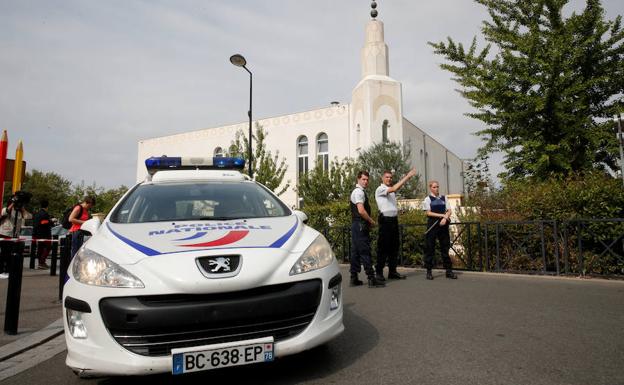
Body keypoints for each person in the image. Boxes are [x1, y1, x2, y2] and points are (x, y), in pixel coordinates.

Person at [374, 168, 417, 281]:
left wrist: (398, 212)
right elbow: (394, 188)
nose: (389, 179)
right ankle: (378, 272)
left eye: (390, 177)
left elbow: (390, 205)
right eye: (387, 177)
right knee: (383, 247)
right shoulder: (380, 189)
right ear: (382, 178)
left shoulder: (390, 191)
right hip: (385, 221)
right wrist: (407, 176)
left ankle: (392, 271)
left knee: (394, 247)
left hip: (393, 220)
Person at [350, 171, 385, 288]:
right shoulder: (359, 192)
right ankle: (371, 278)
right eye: (363, 179)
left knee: (355, 252)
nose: (365, 182)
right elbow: (361, 210)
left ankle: (353, 278)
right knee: (365, 251)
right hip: (360, 225)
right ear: (358, 179)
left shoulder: (358, 192)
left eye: (367, 180)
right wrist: (370, 220)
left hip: (356, 225)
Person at [422, 180, 457, 280]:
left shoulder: (444, 197)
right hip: (432, 225)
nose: (436, 188)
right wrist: (442, 215)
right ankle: (429, 272)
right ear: (430, 188)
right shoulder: (427, 199)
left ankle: (449, 271)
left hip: (443, 225)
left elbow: (449, 210)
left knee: (445, 248)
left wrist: (445, 218)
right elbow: (428, 213)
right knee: (430, 249)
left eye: (437, 187)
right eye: (434, 187)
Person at [33, 199, 53, 269]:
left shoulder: (37, 213)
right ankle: (42, 262)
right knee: (48, 247)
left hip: (38, 233)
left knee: (40, 248)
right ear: (47, 206)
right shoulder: (45, 214)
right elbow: (43, 222)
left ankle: (40, 262)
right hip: (45, 234)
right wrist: (51, 221)